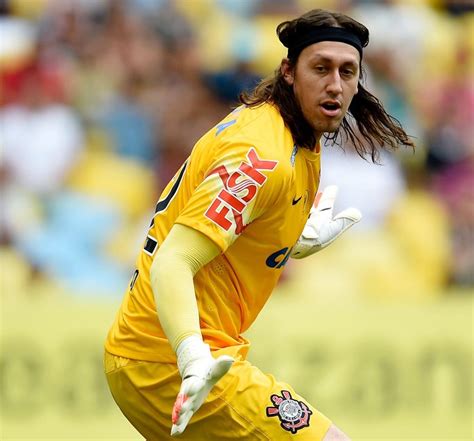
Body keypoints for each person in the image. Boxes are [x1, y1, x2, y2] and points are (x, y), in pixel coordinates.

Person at [104, 9, 414, 441]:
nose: (335, 85)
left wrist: (287, 239)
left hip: (153, 354)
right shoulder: (263, 155)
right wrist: (191, 355)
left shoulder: (290, 133)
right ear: (289, 72)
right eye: (320, 68)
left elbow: (236, 223)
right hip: (168, 361)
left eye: (347, 72)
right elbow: (173, 261)